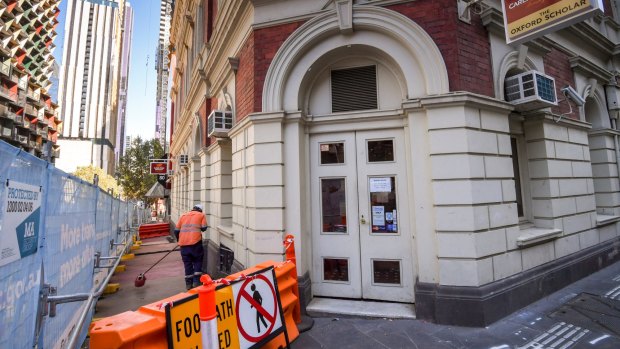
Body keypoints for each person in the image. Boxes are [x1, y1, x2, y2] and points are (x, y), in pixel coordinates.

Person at [174, 204, 208, 290]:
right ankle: (196, 282)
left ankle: (188, 284)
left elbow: (176, 230)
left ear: (193, 209)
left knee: (187, 264)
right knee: (197, 261)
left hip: (184, 245)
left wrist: (179, 240)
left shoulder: (183, 216)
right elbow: (204, 228)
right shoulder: (201, 215)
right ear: (200, 210)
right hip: (195, 244)